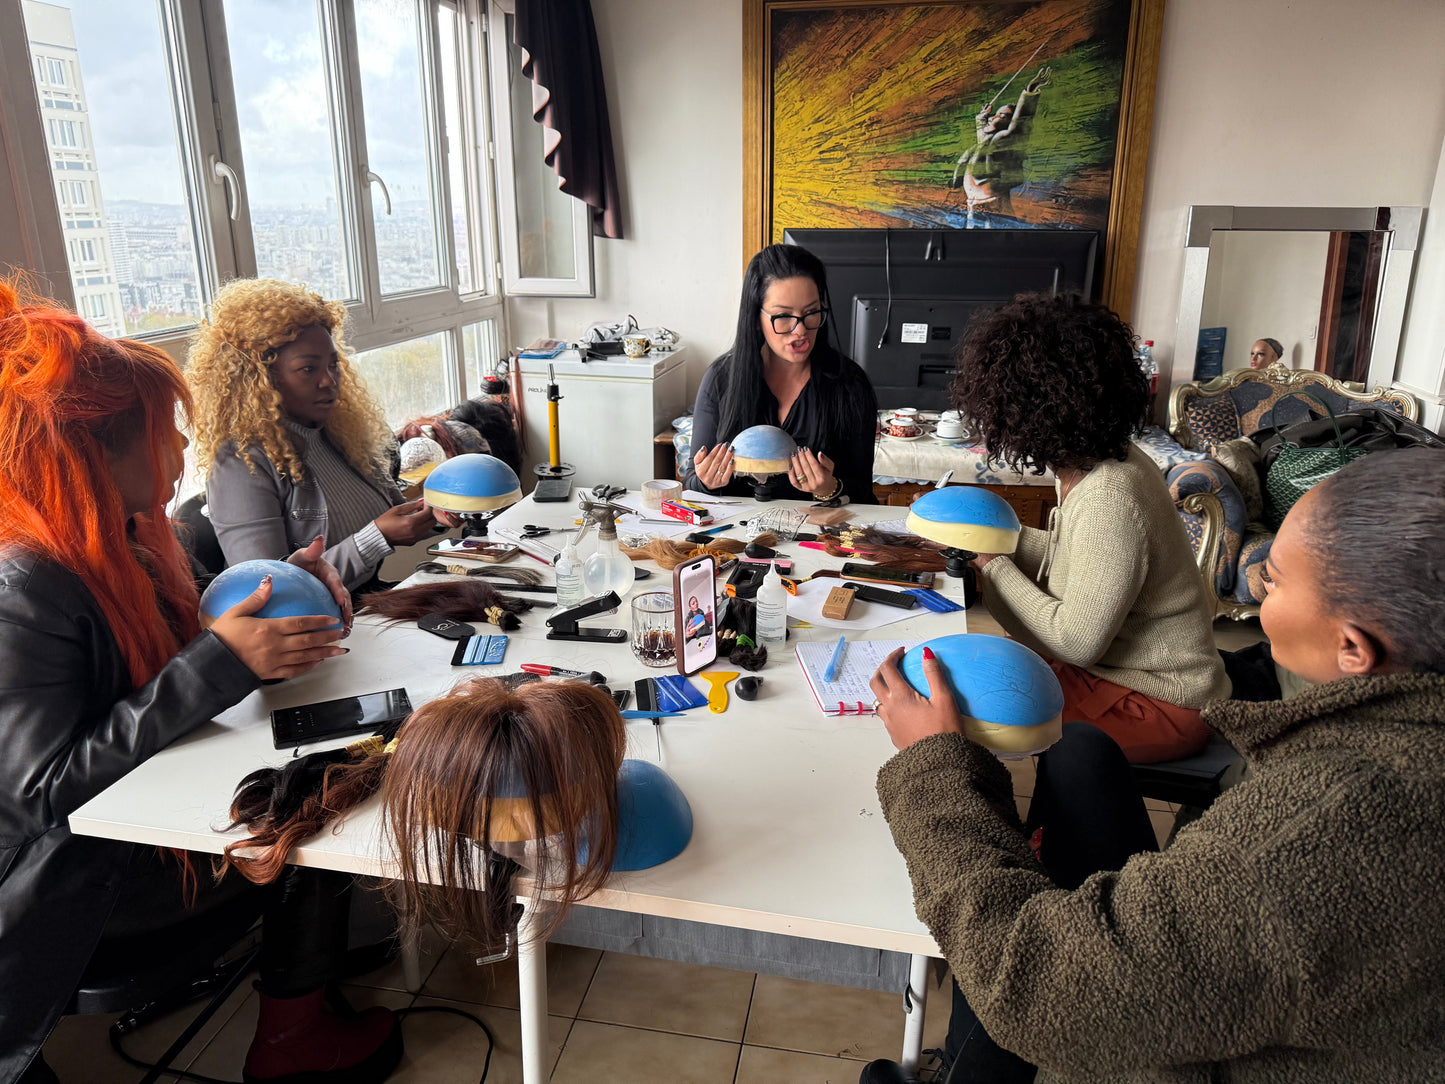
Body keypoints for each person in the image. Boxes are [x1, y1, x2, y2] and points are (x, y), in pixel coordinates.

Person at [863, 447, 1445, 1082]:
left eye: (1274, 581)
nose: (1257, 590)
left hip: (1145, 1042)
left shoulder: (1310, 840)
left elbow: (1040, 994)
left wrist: (935, 766)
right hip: (1248, 982)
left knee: (1011, 947)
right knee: (1081, 752)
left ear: (1352, 648)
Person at [0, 282, 400, 1084]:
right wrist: (220, 660)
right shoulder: (26, 586)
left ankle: (301, 1016)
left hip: (129, 826)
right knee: (317, 810)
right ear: (93, 454)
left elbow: (165, 644)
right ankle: (292, 1041)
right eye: (162, 433)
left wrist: (283, 597)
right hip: (79, 885)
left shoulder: (126, 539)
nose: (183, 448)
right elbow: (40, 790)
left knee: (338, 760)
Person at [951, 293, 1229, 763]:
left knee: (960, 707)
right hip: (1117, 673)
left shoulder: (1111, 494)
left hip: (1157, 702)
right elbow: (1082, 559)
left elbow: (1076, 641)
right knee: (974, 673)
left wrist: (993, 565)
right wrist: (993, 538)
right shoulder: (1097, 461)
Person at [189, 279, 449, 593]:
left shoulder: (338, 434)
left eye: (333, 365)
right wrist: (377, 538)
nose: (329, 381)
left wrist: (442, 510)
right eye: (308, 369)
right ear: (262, 377)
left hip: (367, 602)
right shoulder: (240, 463)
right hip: (316, 619)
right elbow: (267, 587)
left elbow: (395, 516)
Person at [687, 244, 878, 504]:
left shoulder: (850, 384)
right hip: (735, 529)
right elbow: (692, 484)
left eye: (811, 313)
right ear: (756, 318)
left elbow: (863, 491)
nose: (800, 330)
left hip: (817, 527)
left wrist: (830, 488)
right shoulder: (721, 379)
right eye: (783, 316)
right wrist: (706, 481)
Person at [950, 67, 1051, 220]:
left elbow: (1021, 123)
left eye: (1001, 116)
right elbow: (982, 136)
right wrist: (981, 117)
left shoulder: (1002, 140)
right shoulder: (985, 143)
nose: (993, 118)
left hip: (994, 208)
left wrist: (1030, 92)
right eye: (994, 115)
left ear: (1008, 124)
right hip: (974, 207)